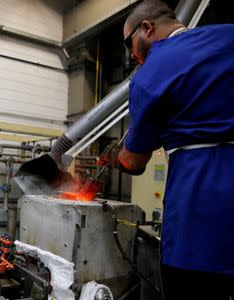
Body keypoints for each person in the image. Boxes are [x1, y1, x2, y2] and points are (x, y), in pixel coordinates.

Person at [99, 0, 234, 299]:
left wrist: (113, 156)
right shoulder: (228, 35)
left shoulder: (150, 74)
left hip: (198, 219)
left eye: (130, 45)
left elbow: (133, 162)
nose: (133, 56)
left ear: (146, 28)